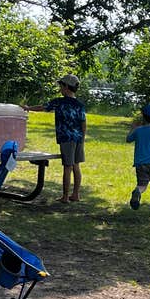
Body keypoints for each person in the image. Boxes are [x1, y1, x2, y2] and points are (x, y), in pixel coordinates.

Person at [40, 74, 87, 203]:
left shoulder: (59, 102)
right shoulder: (79, 104)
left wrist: (27, 108)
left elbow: (43, 107)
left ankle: (65, 196)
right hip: (78, 138)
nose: (60, 88)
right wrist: (82, 139)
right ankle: (76, 194)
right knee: (76, 166)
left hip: (66, 138)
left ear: (66, 87)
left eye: (61, 85)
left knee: (67, 167)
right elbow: (83, 123)